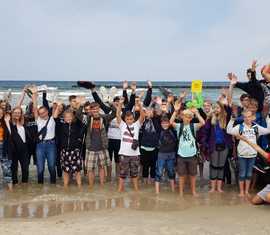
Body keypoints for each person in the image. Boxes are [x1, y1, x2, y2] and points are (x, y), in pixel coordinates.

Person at [227, 110, 270, 197]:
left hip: (252, 154)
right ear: (243, 118)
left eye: (249, 116)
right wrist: (232, 120)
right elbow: (229, 131)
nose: (247, 118)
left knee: (249, 173)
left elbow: (268, 130)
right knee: (242, 173)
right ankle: (241, 191)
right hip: (242, 154)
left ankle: (246, 191)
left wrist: (267, 119)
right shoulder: (240, 127)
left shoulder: (256, 127)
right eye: (245, 117)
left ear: (253, 117)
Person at [170, 102, 205, 196]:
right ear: (182, 117)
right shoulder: (179, 126)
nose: (187, 118)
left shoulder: (193, 126)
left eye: (189, 117)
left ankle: (193, 191)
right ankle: (181, 192)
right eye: (185, 116)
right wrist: (175, 111)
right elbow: (170, 122)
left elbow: (203, 122)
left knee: (193, 175)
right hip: (181, 155)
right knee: (181, 175)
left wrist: (196, 113)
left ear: (191, 118)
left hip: (192, 155)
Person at [201, 101, 232, 192]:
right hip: (213, 146)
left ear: (221, 109)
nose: (216, 109)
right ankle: (213, 188)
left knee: (221, 166)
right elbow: (205, 133)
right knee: (214, 166)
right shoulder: (210, 120)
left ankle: (219, 188)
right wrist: (205, 144)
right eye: (214, 108)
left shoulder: (226, 119)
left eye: (218, 108)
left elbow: (229, 110)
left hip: (224, 146)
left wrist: (223, 102)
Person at [116, 97, 145, 192]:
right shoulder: (122, 125)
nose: (129, 120)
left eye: (131, 119)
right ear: (125, 119)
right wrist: (120, 104)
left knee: (135, 174)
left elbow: (142, 116)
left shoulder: (137, 125)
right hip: (124, 154)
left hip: (135, 154)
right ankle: (120, 189)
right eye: (127, 119)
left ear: (133, 118)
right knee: (122, 174)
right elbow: (117, 114)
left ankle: (136, 190)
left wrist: (139, 105)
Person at [53, 104, 85, 188]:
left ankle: (79, 186)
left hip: (75, 151)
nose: (68, 118)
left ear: (73, 117)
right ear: (64, 118)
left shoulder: (77, 125)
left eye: (70, 116)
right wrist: (57, 106)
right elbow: (55, 117)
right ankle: (65, 187)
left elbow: (78, 115)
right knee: (65, 171)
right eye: (66, 117)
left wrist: (77, 105)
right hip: (65, 151)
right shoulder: (61, 126)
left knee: (77, 171)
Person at [32, 87, 57, 184]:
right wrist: (34, 96)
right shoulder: (38, 120)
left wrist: (51, 94)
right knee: (40, 168)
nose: (42, 115)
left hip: (51, 144)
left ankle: (53, 185)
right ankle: (40, 187)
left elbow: (55, 106)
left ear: (47, 111)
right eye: (40, 113)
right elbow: (34, 107)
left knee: (51, 166)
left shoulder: (52, 119)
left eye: (43, 112)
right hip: (40, 146)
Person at [237, 135, 270, 204]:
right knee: (254, 201)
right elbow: (258, 149)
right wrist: (246, 140)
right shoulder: (268, 156)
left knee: (268, 197)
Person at [5, 107, 30, 184]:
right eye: (15, 112)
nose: (17, 114)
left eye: (19, 113)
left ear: (21, 114)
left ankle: (24, 186)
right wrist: (6, 121)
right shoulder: (10, 124)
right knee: (14, 169)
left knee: (25, 168)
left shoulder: (24, 123)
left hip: (24, 149)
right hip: (13, 149)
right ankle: (15, 185)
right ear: (12, 114)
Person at [155, 115, 177, 194]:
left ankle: (173, 190)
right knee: (159, 172)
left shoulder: (172, 130)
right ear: (160, 124)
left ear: (169, 123)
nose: (165, 124)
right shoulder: (158, 130)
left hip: (171, 154)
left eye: (166, 123)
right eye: (163, 123)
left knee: (171, 171)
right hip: (161, 154)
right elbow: (156, 118)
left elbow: (172, 121)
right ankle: (157, 192)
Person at [0, 108, 12, 190]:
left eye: (1, 113)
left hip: (4, 146)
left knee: (6, 168)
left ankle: (11, 190)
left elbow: (10, 134)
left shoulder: (5, 123)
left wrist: (7, 121)